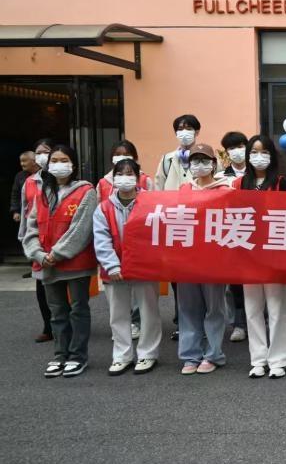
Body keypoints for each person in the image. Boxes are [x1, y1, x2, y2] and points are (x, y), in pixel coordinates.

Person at [21, 145, 98, 377]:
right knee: (57, 313)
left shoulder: (86, 191)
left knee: (78, 310)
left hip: (74, 263)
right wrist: (37, 254)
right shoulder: (43, 192)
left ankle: (77, 356)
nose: (58, 164)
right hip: (46, 262)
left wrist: (57, 253)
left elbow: (81, 229)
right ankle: (60, 355)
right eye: (54, 160)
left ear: (73, 164)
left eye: (64, 160)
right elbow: (31, 226)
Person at [93, 158, 161, 376]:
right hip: (114, 272)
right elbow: (101, 239)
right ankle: (121, 356)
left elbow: (157, 235)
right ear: (113, 178)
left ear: (138, 177)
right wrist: (112, 265)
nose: (125, 178)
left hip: (144, 269)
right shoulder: (103, 208)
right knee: (118, 315)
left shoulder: (150, 203)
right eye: (120, 174)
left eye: (130, 173)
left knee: (149, 312)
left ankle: (148, 354)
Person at [232, 134, 286, 379]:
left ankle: (278, 359)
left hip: (275, 253)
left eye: (264, 152)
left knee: (278, 309)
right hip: (248, 253)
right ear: (248, 156)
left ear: (272, 156)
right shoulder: (239, 184)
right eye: (254, 152)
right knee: (252, 308)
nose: (259, 157)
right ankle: (258, 359)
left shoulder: (281, 183)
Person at [176, 143, 233, 375]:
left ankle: (213, 354)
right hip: (187, 259)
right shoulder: (184, 189)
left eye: (205, 160)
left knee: (214, 308)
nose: (200, 165)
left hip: (213, 259)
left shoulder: (225, 190)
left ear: (214, 164)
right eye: (195, 161)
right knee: (188, 308)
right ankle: (190, 355)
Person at [155, 114, 201, 341]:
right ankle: (181, 321)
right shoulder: (167, 159)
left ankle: (200, 321)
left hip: (200, 225)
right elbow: (158, 190)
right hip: (175, 224)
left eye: (189, 128)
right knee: (177, 278)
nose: (184, 132)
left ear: (197, 132)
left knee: (199, 276)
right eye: (180, 128)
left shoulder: (205, 156)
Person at [12, 147, 51, 342]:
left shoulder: (61, 180)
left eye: (46, 151)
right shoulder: (26, 181)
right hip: (37, 240)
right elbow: (25, 210)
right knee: (41, 287)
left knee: (63, 288)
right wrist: (24, 238)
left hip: (58, 239)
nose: (42, 155)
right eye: (39, 151)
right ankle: (48, 327)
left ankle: (66, 324)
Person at [218, 131, 249, 342]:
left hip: (255, 231)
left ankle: (259, 320)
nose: (236, 151)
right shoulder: (221, 177)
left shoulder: (256, 175)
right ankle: (238, 323)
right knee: (235, 283)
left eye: (240, 146)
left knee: (255, 281)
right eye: (231, 148)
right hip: (231, 231)